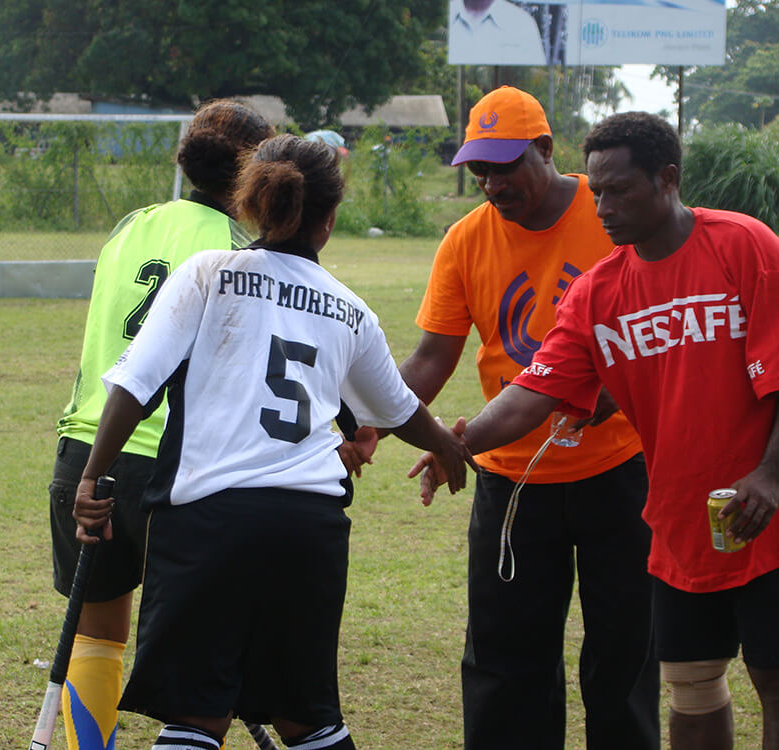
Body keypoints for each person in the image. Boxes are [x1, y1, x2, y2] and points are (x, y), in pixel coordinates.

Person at [413, 111, 779, 750]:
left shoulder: (743, 246)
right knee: (691, 680)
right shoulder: (598, 291)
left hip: (769, 506)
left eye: (618, 191)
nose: (602, 207)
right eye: (599, 191)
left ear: (667, 179)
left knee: (776, 676)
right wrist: (458, 441)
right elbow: (534, 391)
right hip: (679, 517)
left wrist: (772, 472)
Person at [71, 133, 476, 750]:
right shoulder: (350, 308)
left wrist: (92, 476)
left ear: (251, 203)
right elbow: (398, 409)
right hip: (307, 529)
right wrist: (446, 445)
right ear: (331, 219)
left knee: (195, 718)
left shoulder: (208, 275)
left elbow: (134, 382)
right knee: (306, 719)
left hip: (209, 522)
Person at [394, 85, 659, 750]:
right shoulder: (464, 242)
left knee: (624, 659)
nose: (491, 183)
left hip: (619, 469)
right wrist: (370, 420)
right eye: (478, 170)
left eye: (505, 165)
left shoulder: (613, 218)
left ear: (545, 149)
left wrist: (617, 395)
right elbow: (432, 357)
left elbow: (659, 336)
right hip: (511, 479)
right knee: (506, 666)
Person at [47, 99, 274, 750]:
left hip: (87, 452)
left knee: (96, 636)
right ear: (255, 174)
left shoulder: (129, 227)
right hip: (178, 466)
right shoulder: (240, 250)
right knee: (206, 651)